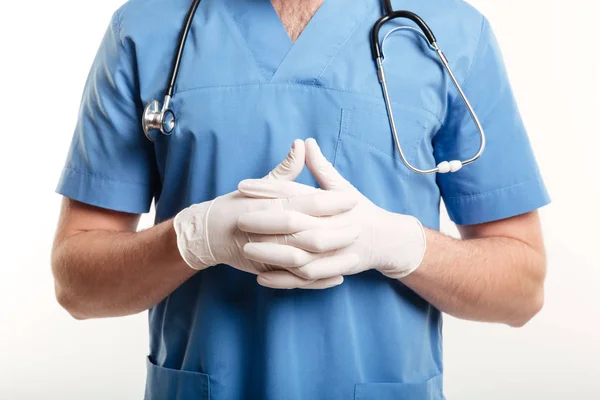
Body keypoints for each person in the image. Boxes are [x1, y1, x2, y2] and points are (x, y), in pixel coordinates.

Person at [51, 0, 550, 398]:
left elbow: (521, 288)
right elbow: (76, 282)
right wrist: (194, 237)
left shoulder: (450, 34)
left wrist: (402, 245)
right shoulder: (147, 28)